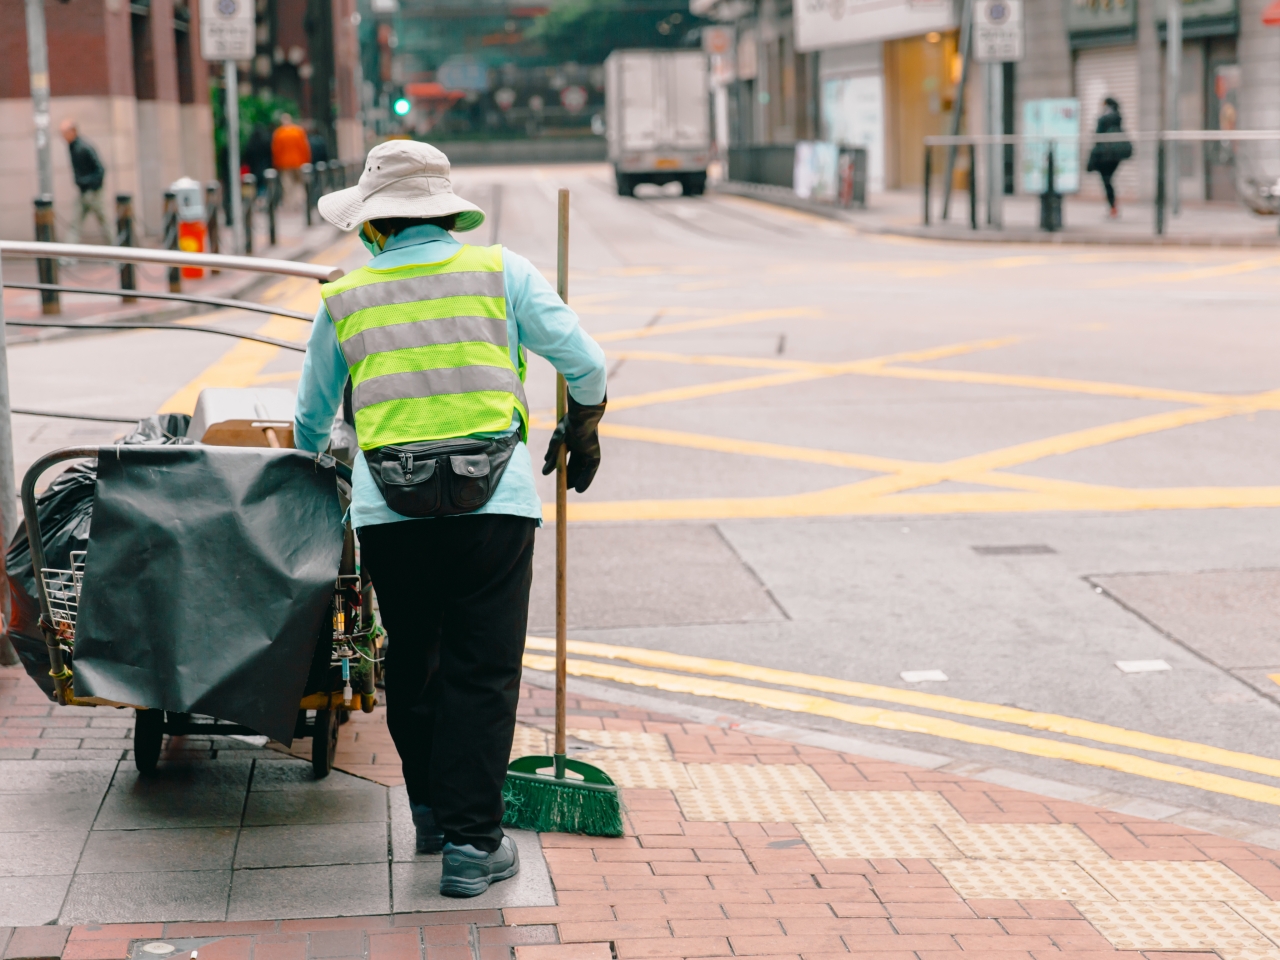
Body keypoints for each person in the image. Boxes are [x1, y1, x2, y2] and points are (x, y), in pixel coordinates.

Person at [294, 140, 607, 898]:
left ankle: (433, 811)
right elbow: (587, 365)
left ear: (374, 226)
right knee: (482, 670)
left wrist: (342, 465)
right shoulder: (502, 272)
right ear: (443, 212)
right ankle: (474, 844)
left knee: (415, 659)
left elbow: (309, 424)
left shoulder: (345, 299)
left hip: (389, 515)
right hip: (494, 507)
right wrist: (583, 426)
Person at [59, 120, 109, 243]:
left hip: (93, 192)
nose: (63, 136)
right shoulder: (72, 147)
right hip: (83, 191)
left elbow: (100, 170)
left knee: (104, 222)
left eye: (64, 132)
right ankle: (68, 255)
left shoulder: (84, 147)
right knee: (75, 223)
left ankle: (117, 252)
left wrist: (90, 184)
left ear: (73, 131)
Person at [1086, 97, 1132, 219]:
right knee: (1108, 181)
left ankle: (1113, 207)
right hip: (1116, 155)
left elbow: (1097, 135)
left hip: (1104, 156)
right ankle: (1113, 207)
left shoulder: (1103, 118)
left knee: (1107, 181)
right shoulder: (1118, 117)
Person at [270, 113, 311, 208]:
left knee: (287, 185)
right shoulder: (298, 131)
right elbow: (304, 147)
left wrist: (276, 163)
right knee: (299, 183)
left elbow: (276, 150)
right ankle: (300, 202)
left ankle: (289, 204)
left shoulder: (279, 133)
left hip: (284, 163)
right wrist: (306, 161)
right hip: (299, 162)